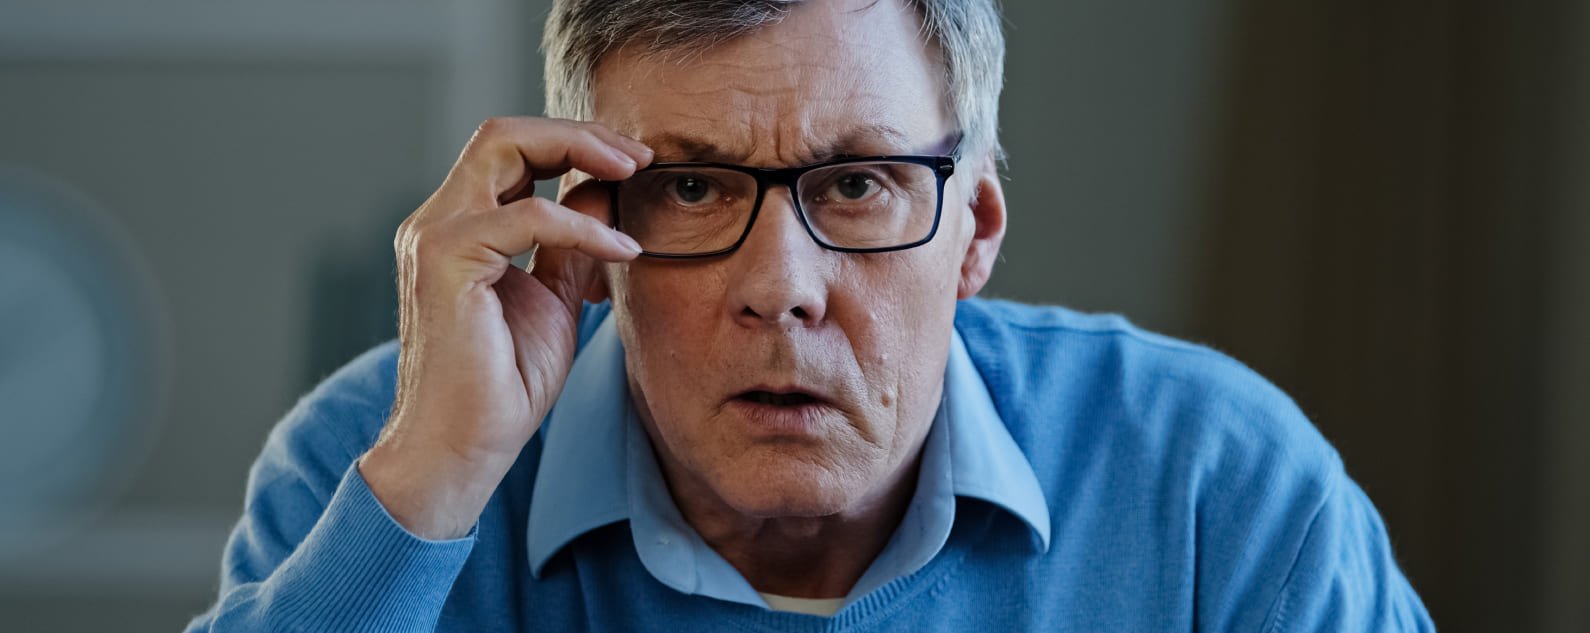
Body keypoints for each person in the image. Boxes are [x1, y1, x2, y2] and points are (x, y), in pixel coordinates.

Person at [185, 0, 1434, 630]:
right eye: (689, 188)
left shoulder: (1220, 488)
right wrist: (428, 488)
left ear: (974, 232)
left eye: (857, 184)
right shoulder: (375, 463)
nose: (780, 285)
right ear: (586, 225)